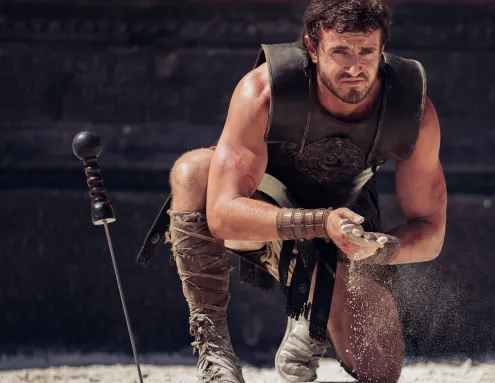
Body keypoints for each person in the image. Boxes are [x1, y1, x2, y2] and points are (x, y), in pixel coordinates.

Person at [143, 0, 447, 382]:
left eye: (366, 51)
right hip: (264, 218)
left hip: (347, 237)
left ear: (382, 48)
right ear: (313, 46)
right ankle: (214, 351)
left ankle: (310, 310)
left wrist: (378, 249)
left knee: (380, 366)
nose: (355, 67)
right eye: (340, 51)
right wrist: (320, 222)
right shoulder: (264, 92)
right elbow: (221, 214)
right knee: (194, 172)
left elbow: (430, 231)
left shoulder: (410, 108)